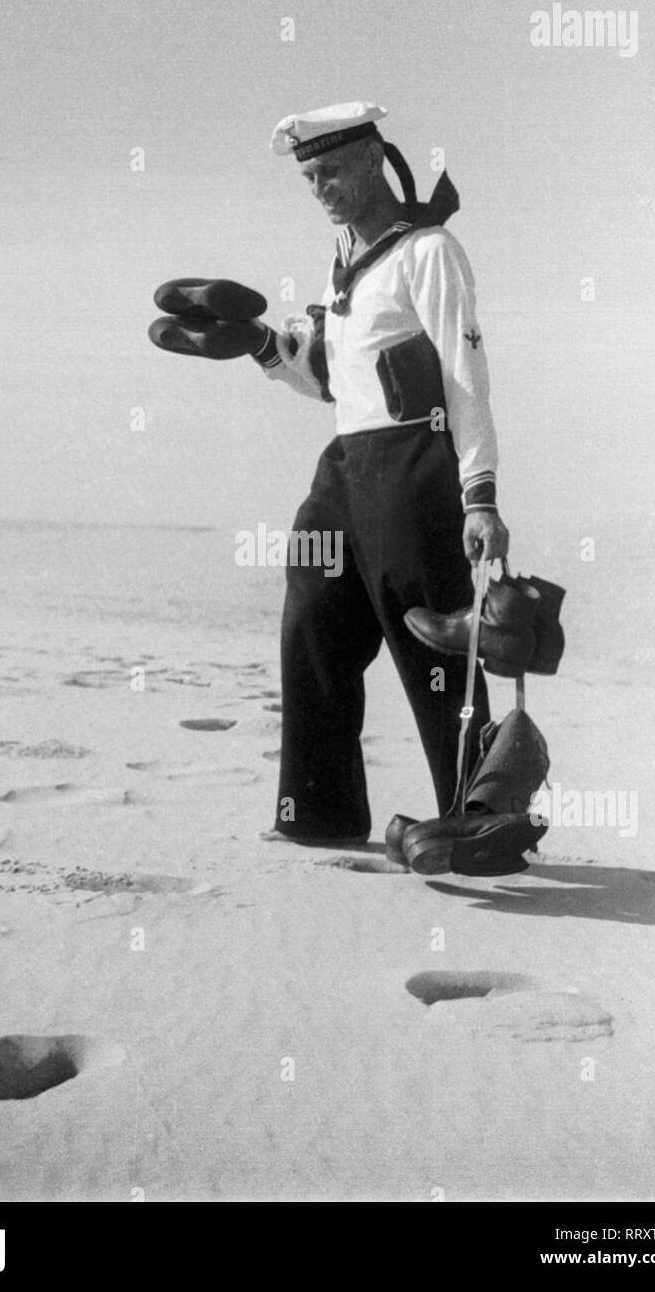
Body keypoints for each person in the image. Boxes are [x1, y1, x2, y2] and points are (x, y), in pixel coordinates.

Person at [252, 102, 510, 846]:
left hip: (411, 468)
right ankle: (318, 816)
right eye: (308, 177)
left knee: (433, 645)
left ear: (372, 160)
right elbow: (335, 384)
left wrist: (479, 498)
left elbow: (465, 378)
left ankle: (481, 821)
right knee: (311, 624)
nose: (320, 187)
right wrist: (264, 349)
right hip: (343, 467)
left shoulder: (426, 251)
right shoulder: (346, 269)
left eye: (331, 170)